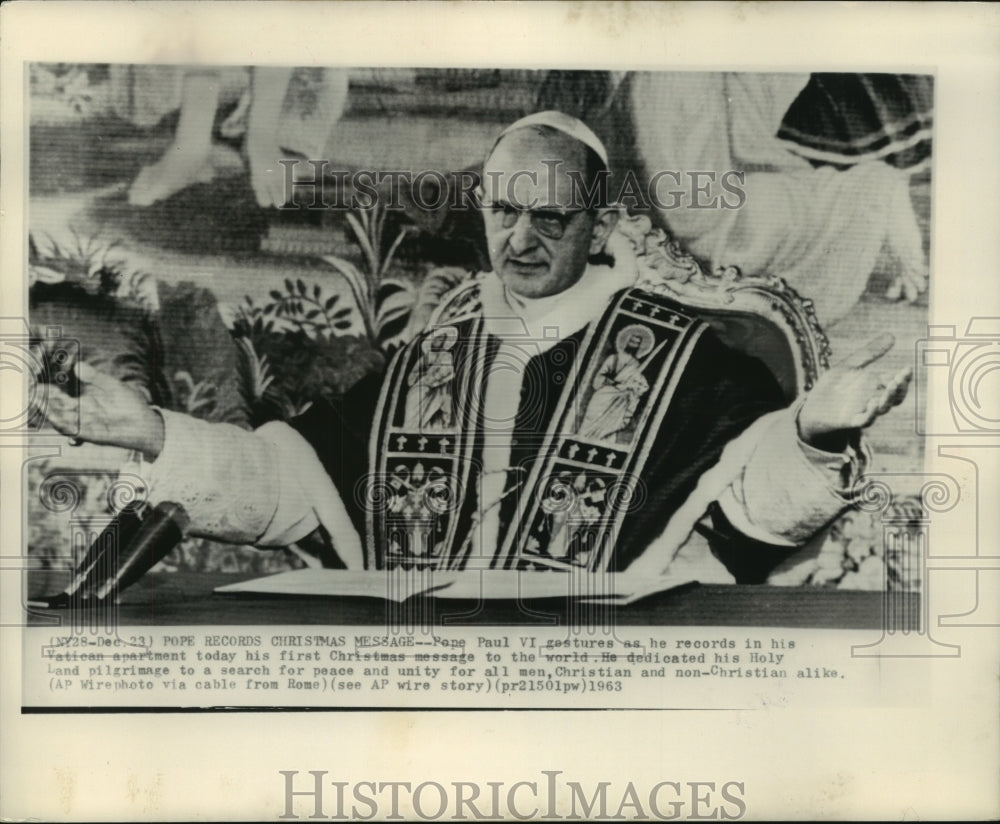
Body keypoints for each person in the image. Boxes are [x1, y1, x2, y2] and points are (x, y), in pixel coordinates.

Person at [37, 111, 912, 582]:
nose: (519, 241)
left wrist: (814, 433)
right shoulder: (440, 345)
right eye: (502, 212)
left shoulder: (686, 355)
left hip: (592, 651)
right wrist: (155, 432)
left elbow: (756, 495)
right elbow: (296, 477)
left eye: (549, 219)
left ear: (599, 225)